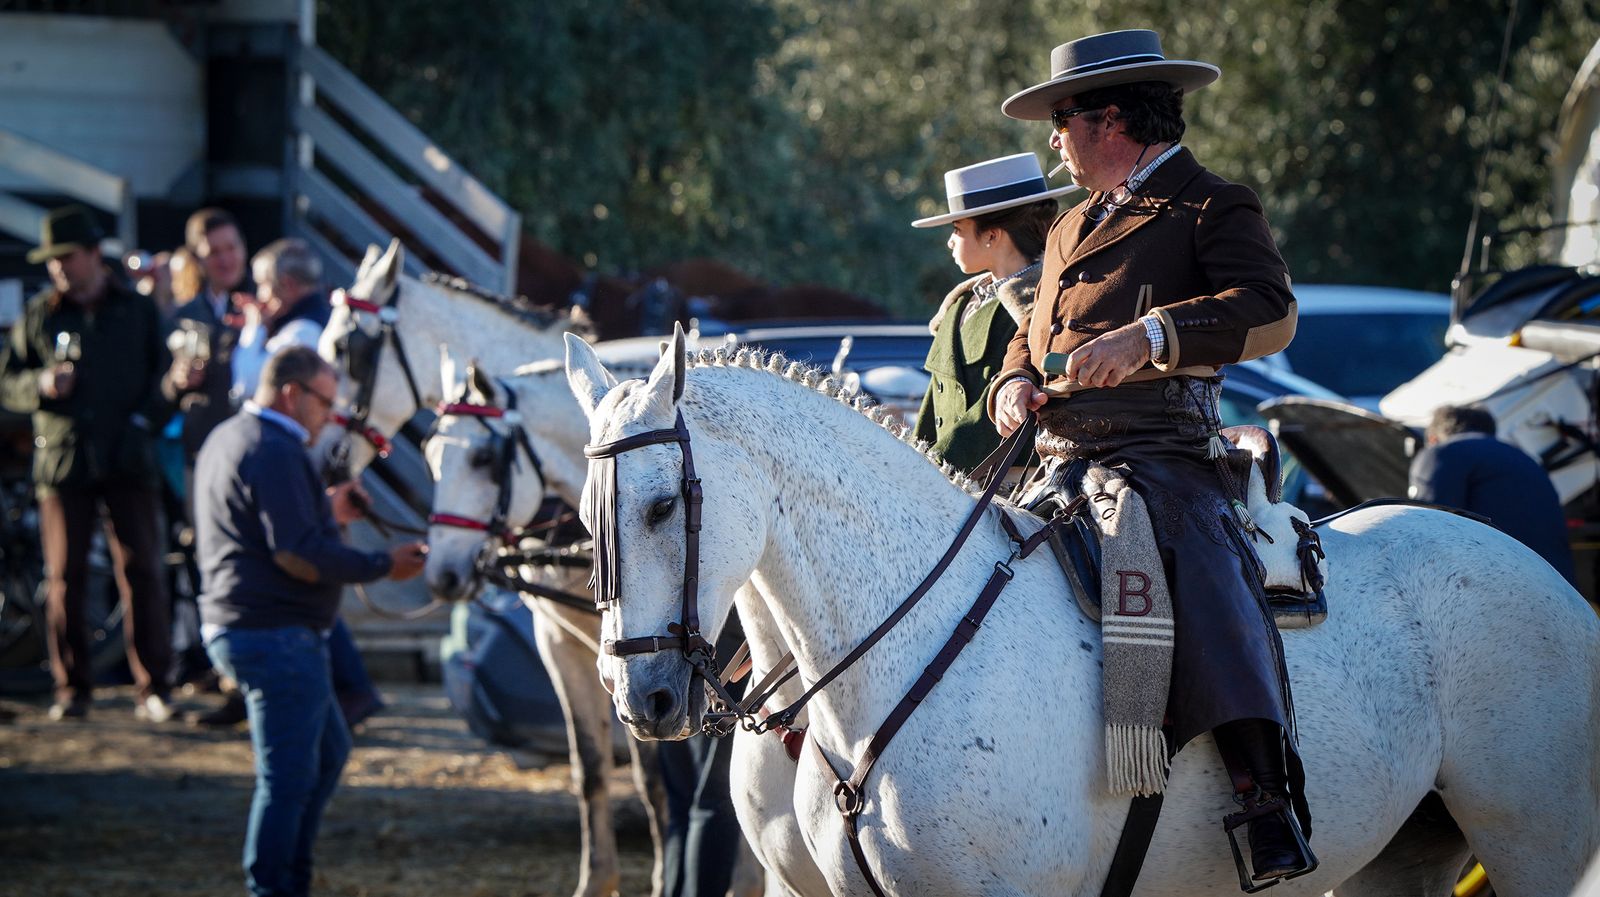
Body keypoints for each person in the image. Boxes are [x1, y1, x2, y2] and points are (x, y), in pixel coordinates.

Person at [989, 30, 1308, 884]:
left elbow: (1271, 307)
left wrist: (1151, 335)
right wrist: (1012, 382)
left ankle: (1264, 797)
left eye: (1062, 119)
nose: (1054, 137)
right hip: (1054, 451)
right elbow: (1032, 333)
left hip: (1162, 448)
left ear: (1112, 119)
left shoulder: (1212, 203)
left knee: (1202, 567)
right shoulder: (1069, 223)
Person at [195, 346, 426, 897]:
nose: (331, 415)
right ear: (291, 394)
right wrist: (382, 565)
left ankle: (288, 880)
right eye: (325, 402)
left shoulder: (232, 436)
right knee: (287, 780)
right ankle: (273, 887)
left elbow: (265, 527)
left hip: (254, 628)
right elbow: (295, 554)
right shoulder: (276, 449)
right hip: (275, 635)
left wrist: (326, 509)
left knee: (325, 756)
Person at [0, 205, 180, 723]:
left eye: (67, 257)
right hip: (64, 461)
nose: (58, 267)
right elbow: (7, 381)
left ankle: (154, 686)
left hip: (128, 458)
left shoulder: (136, 310)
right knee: (64, 578)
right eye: (52, 260)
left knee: (143, 570)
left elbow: (164, 378)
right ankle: (72, 688)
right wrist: (39, 385)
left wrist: (144, 423)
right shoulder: (40, 315)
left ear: (94, 255)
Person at [910, 152, 1071, 471]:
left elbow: (993, 414)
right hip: (944, 482)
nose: (950, 242)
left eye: (958, 229)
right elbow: (934, 406)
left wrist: (931, 467)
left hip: (1010, 483)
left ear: (992, 236)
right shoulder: (959, 304)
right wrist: (912, 465)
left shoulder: (1040, 307)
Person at [1410, 405, 1577, 585]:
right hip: (1559, 583)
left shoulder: (1442, 452)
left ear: (1433, 438)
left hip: (1496, 582)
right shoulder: (1526, 459)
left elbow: (1426, 528)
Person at [230, 238, 332, 405]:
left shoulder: (303, 331)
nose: (260, 296)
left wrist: (254, 327)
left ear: (287, 284)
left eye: (263, 285)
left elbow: (245, 385)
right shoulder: (311, 321)